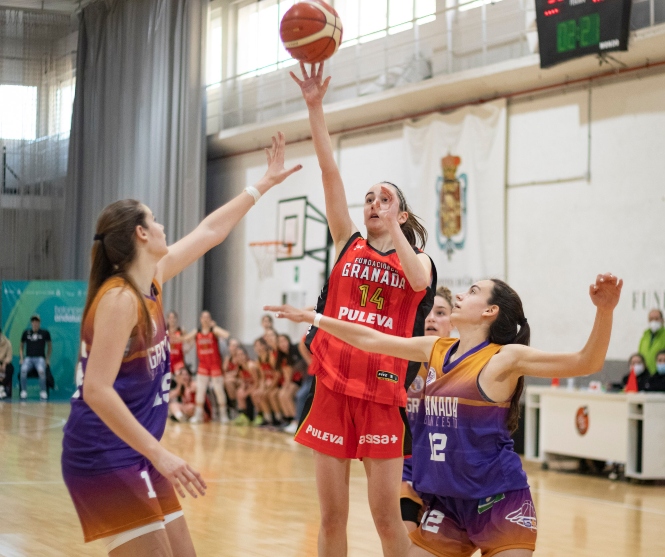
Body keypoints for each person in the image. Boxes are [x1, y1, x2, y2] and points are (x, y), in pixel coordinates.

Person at [60, 132, 300, 557]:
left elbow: (210, 231)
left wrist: (262, 184)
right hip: (103, 453)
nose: (163, 226)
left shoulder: (150, 280)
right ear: (140, 234)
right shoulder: (119, 299)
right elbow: (96, 390)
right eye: (154, 220)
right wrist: (160, 454)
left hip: (137, 450)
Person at [267, 272, 622, 557]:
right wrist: (317, 318)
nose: (460, 296)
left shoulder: (505, 358)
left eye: (472, 291)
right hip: (447, 504)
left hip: (498, 500)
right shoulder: (435, 348)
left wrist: (604, 312)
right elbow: (371, 340)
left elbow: (586, 362)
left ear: (490, 311)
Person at [290, 62, 436, 557]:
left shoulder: (419, 260)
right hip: (333, 387)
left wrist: (395, 226)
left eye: (384, 199)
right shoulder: (346, 242)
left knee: (386, 519)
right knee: (332, 517)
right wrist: (315, 107)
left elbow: (419, 281)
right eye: (369, 198)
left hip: (382, 395)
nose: (373, 203)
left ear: (402, 212)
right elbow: (329, 171)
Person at [401, 286, 454, 533]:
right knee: (403, 536)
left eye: (440, 313)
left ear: (453, 322)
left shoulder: (462, 364)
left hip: (446, 467)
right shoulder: (402, 358)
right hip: (407, 462)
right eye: (426, 312)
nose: (431, 318)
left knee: (434, 543)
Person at [183, 311, 230, 424]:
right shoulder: (197, 331)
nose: (205, 319)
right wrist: (183, 333)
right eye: (203, 317)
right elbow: (186, 339)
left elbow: (226, 334)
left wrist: (215, 327)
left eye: (207, 317)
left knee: (218, 389)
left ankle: (223, 415)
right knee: (200, 390)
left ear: (210, 319)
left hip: (215, 365)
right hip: (203, 365)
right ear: (200, 319)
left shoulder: (214, 330)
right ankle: (198, 415)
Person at [19, 315, 52, 400]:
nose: (35, 323)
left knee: (41, 371)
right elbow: (21, 346)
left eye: (36, 321)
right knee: (23, 370)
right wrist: (21, 358)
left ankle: (43, 391)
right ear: (31, 323)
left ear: (39, 323)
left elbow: (50, 346)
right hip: (28, 358)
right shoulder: (26, 332)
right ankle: (23, 391)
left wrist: (47, 359)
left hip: (40, 359)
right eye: (33, 321)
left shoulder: (45, 333)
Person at [233, 346, 260, 426]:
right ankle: (243, 416)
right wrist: (242, 388)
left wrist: (246, 392)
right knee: (239, 392)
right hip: (251, 385)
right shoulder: (241, 367)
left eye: (242, 354)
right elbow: (244, 381)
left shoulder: (251, 366)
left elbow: (257, 383)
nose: (240, 357)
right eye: (238, 355)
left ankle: (260, 415)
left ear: (246, 355)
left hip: (257, 385)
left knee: (253, 393)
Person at [638, 309, 665, 374]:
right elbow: (640, 355)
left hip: (660, 374)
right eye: (651, 319)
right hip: (645, 374)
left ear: (662, 320)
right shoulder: (645, 337)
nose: (654, 321)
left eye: (656, 319)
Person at [0, 327, 13, 400]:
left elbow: (9, 356)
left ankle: (1, 387)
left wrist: (4, 363)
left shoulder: (7, 342)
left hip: (4, 362)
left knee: (10, 368)